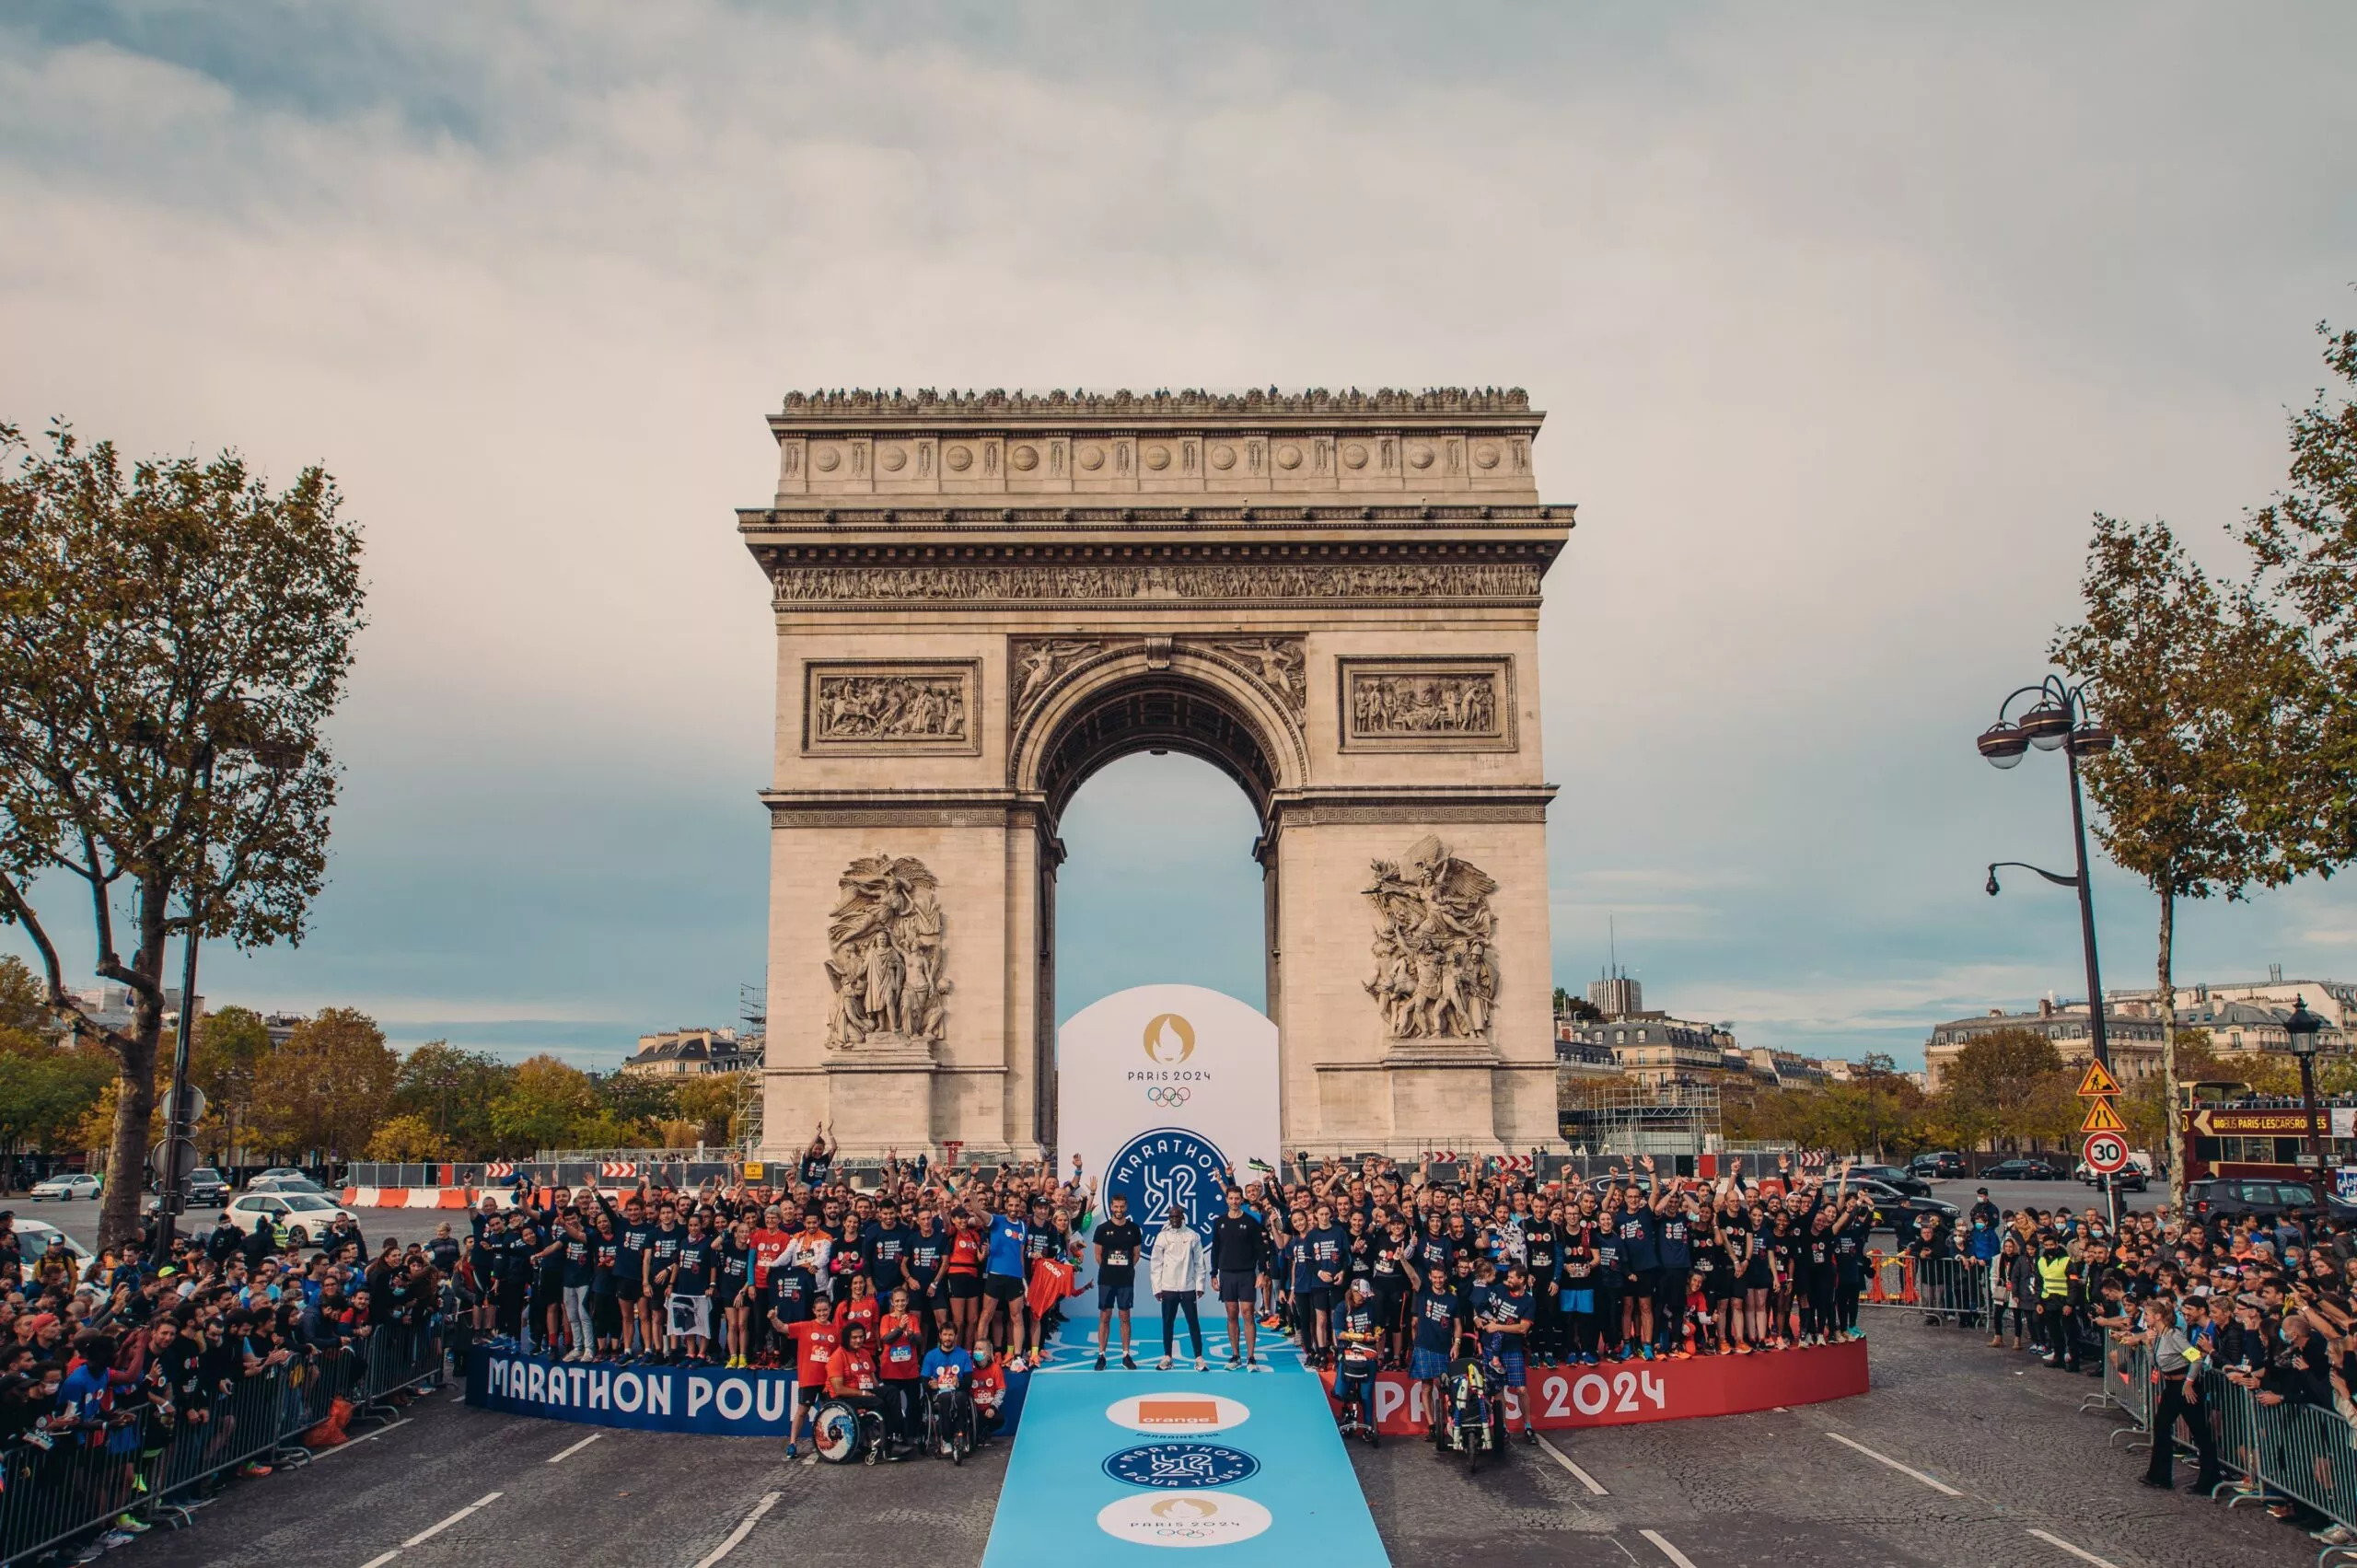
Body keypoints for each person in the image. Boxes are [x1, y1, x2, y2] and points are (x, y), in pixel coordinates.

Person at [1148, 1202, 1210, 1372]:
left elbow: (1199, 1262)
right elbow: (1156, 1264)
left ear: (1183, 1217)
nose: (1174, 1219)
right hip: (1168, 1287)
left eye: (1177, 1216)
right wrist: (1157, 1288)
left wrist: (1200, 1285)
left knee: (1193, 1323)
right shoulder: (1162, 1237)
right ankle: (1167, 1357)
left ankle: (1199, 1358)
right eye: (1171, 1217)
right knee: (1167, 1323)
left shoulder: (1192, 1236)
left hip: (1188, 1286)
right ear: (1169, 1218)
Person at [1211, 1187, 1267, 1368]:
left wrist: (1262, 1273)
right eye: (1231, 1198)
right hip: (1227, 1274)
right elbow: (1215, 1249)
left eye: (1237, 1199)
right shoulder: (1219, 1222)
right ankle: (1236, 1356)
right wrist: (1213, 1273)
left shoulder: (1251, 1222)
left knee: (1248, 1314)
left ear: (1241, 1200)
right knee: (1232, 1314)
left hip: (1246, 1274)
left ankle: (1251, 1357)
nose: (1234, 1201)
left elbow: (1260, 1249)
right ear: (1226, 1200)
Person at [1093, 1193, 1144, 1371]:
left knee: (1125, 1317)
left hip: (1126, 1281)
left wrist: (1125, 1269)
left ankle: (1126, 1355)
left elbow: (1136, 1255)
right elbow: (1098, 1255)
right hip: (1106, 1280)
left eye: (1122, 1207)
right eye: (1116, 1206)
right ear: (1111, 1207)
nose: (1119, 1210)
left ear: (1126, 1207)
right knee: (1105, 1317)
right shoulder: (1101, 1229)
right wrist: (1110, 1269)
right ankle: (1101, 1355)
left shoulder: (1134, 1229)